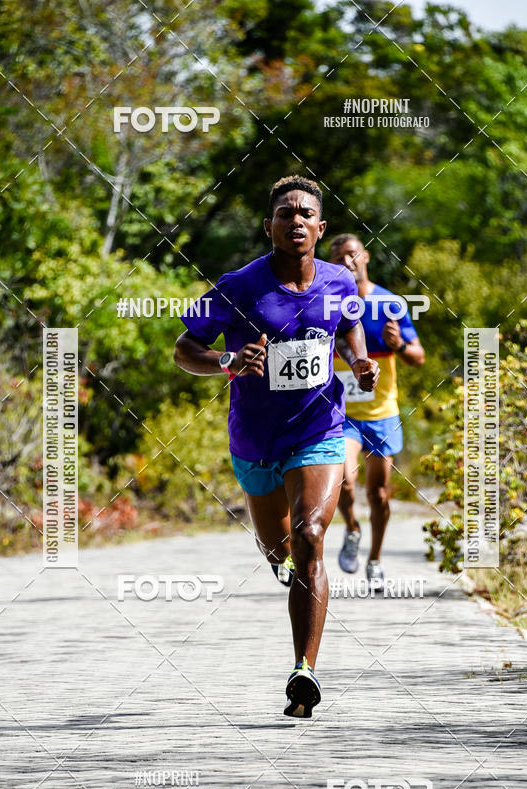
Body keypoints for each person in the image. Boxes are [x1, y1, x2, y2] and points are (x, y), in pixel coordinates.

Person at [174, 177, 379, 718]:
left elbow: (350, 326)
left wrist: (358, 360)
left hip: (319, 430)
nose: (296, 221)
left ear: (320, 227)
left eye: (306, 213)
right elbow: (184, 349)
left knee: (311, 536)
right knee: (280, 549)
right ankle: (283, 562)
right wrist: (226, 361)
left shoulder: (338, 281)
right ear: (269, 226)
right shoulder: (238, 286)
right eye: (285, 213)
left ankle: (303, 671)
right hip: (255, 439)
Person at [329, 234, 425, 588]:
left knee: (379, 494)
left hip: (382, 412)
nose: (346, 262)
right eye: (338, 258)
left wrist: (398, 345)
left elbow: (418, 357)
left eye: (352, 255)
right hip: (342, 414)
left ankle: (375, 559)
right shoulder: (327, 304)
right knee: (343, 481)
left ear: (365, 256)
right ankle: (352, 528)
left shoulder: (389, 303)